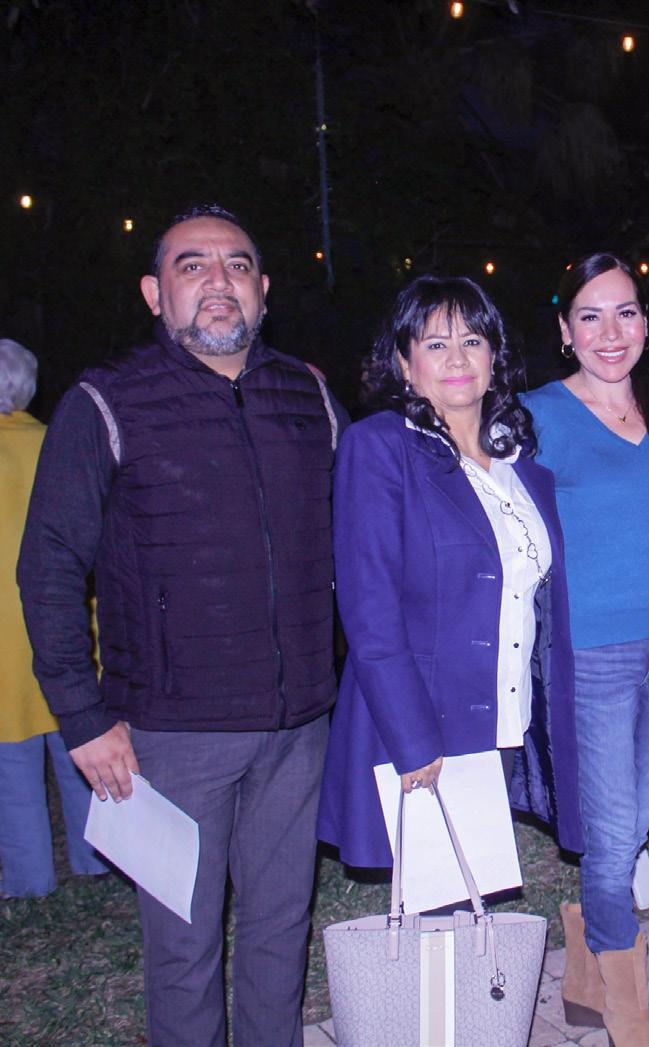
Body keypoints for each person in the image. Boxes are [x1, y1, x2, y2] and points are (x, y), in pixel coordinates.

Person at [17, 206, 344, 1046]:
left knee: (280, 929)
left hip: (298, 726)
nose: (217, 281)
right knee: (183, 949)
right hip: (171, 735)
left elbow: (358, 539)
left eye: (237, 265)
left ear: (263, 288)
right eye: (192, 265)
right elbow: (48, 567)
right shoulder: (105, 401)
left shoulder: (307, 395)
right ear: (153, 292)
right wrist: (82, 717)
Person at [317, 274, 582, 870]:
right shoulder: (380, 447)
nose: (457, 358)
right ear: (404, 363)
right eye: (436, 344)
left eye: (472, 340)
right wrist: (413, 743)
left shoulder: (520, 462)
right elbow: (369, 612)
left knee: (476, 895)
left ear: (494, 356)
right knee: (440, 907)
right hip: (425, 726)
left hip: (504, 715)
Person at [522, 253, 649, 1046]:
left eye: (624, 311)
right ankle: (627, 1007)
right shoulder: (534, 416)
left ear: (645, 322)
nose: (609, 331)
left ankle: (586, 975)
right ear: (565, 330)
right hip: (588, 651)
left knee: (630, 823)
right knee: (610, 833)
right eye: (589, 315)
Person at [0, 339, 108, 898]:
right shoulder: (57, 442)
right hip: (66, 621)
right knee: (80, 741)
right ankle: (98, 861)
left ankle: (29, 881)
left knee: (11, 766)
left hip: (3, 639)